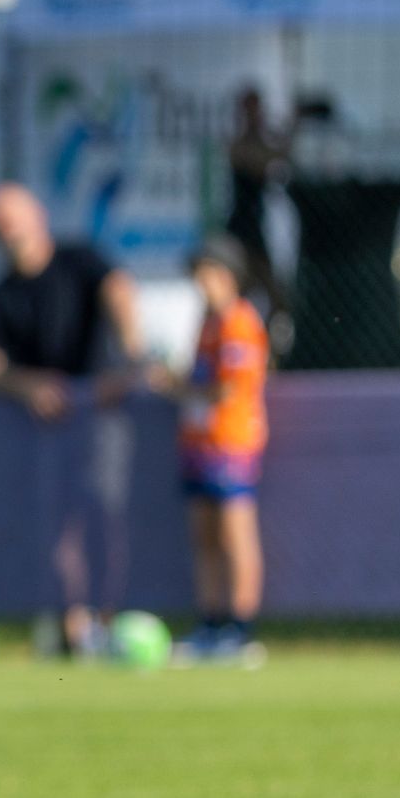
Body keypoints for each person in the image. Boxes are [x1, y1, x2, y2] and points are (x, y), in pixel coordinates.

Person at [0, 182, 147, 658]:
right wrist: (28, 386)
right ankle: (73, 629)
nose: (7, 228)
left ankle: (109, 622)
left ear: (38, 215)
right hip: (47, 427)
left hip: (101, 411)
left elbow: (119, 292)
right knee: (57, 527)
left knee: (105, 515)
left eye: (14, 216)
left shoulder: (80, 261)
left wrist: (128, 361)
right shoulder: (0, 295)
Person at [153, 238, 269, 666]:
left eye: (209, 274)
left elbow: (228, 388)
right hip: (198, 444)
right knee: (203, 534)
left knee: (235, 533)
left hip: (231, 443)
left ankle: (241, 629)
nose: (202, 284)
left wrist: (177, 387)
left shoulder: (240, 322)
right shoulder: (208, 324)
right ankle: (211, 622)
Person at [225, 85, 292, 318]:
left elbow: (280, 157)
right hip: (241, 229)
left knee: (270, 292)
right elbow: (260, 161)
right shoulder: (239, 145)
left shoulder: (258, 140)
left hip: (255, 226)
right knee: (237, 289)